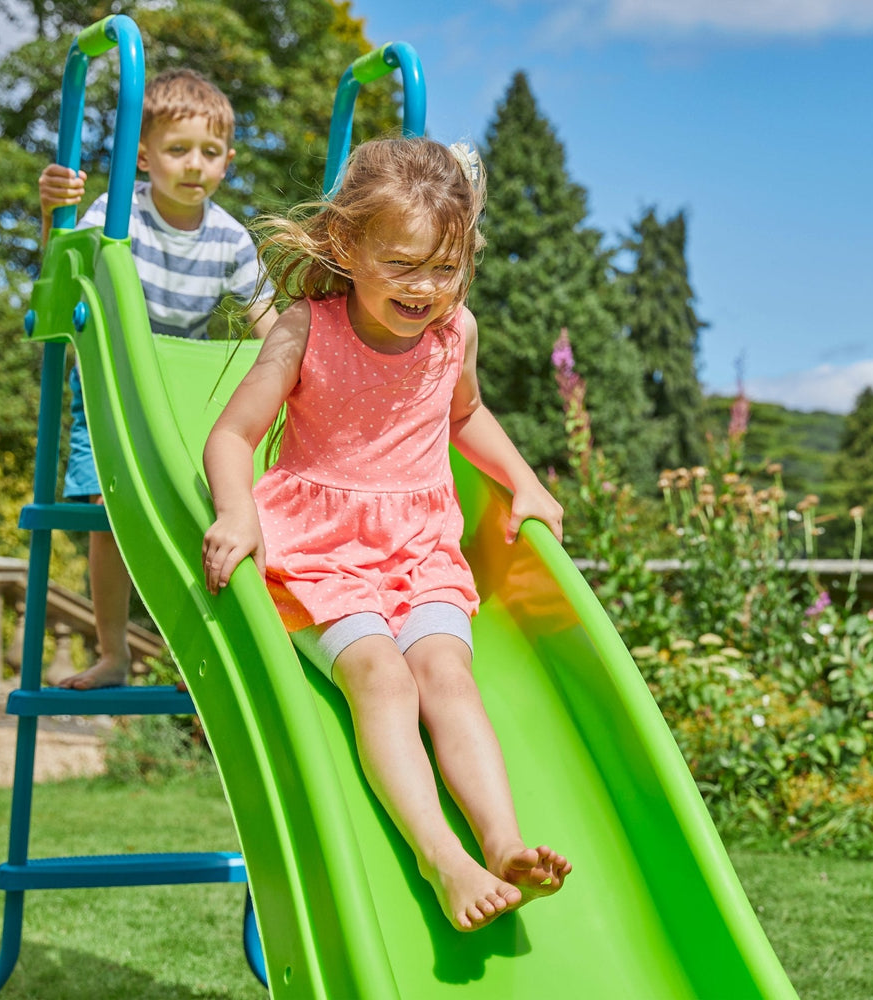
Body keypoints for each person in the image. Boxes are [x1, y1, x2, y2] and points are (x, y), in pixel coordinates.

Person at [201, 136, 571, 932]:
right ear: (346, 244)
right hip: (318, 554)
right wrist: (237, 512)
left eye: (444, 269)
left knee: (447, 673)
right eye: (402, 264)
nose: (425, 288)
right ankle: (442, 856)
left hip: (420, 548)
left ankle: (502, 841)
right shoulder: (306, 329)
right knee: (385, 679)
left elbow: (465, 414)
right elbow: (231, 436)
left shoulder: (454, 334)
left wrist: (526, 481)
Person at [39, 68, 278, 690]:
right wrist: (52, 217)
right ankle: (114, 652)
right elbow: (63, 280)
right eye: (177, 150)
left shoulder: (228, 237)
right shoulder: (116, 214)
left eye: (209, 152)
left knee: (203, 516)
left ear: (227, 160)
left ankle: (190, 659)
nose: (193, 165)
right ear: (143, 156)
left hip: (180, 394)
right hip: (107, 386)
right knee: (111, 516)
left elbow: (270, 329)